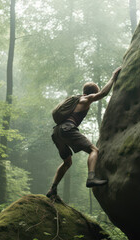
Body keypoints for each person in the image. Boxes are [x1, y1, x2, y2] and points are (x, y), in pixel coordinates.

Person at [46, 67, 122, 199]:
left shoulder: (75, 99)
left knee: (67, 162)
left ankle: (52, 189)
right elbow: (103, 93)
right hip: (67, 128)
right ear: (91, 93)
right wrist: (113, 77)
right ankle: (91, 178)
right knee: (94, 150)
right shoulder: (85, 99)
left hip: (57, 132)